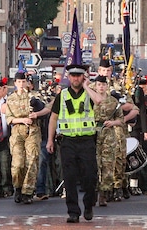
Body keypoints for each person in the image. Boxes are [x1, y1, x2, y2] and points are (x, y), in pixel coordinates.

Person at [47, 64, 97, 223]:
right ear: (68, 77)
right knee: (69, 178)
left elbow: (100, 101)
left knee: (90, 177)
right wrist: (50, 139)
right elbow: (53, 118)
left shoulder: (90, 94)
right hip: (67, 142)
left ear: (83, 77)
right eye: (73, 76)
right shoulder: (62, 96)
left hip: (87, 141)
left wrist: (87, 86)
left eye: (79, 76)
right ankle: (73, 212)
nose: (76, 78)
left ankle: (89, 205)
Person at [4, 72, 52, 205]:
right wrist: (21, 119)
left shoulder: (35, 96)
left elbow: (48, 108)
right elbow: (8, 118)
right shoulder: (11, 98)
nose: (21, 84)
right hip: (17, 131)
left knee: (32, 161)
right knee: (18, 163)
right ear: (15, 83)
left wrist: (37, 114)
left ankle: (28, 191)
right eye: (19, 82)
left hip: (33, 131)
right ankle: (18, 187)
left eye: (23, 82)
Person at [92, 75, 122, 206]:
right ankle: (93, 192)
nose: (101, 87)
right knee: (94, 165)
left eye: (103, 84)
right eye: (99, 85)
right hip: (93, 133)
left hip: (108, 134)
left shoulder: (114, 101)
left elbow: (121, 120)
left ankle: (104, 193)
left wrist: (113, 122)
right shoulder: (90, 99)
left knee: (108, 164)